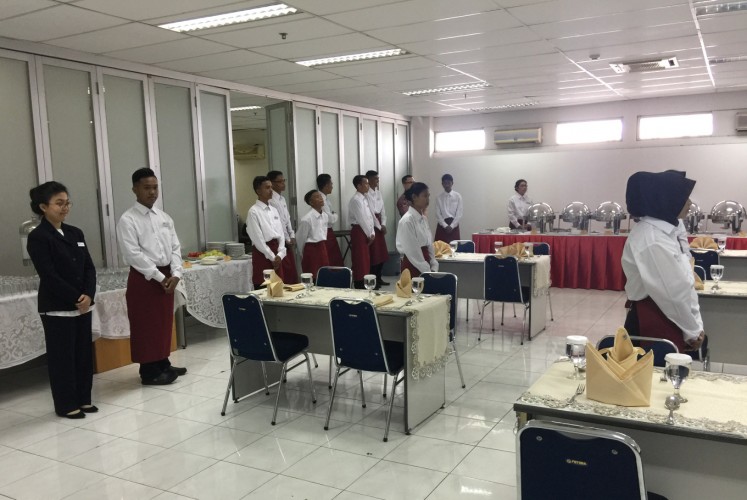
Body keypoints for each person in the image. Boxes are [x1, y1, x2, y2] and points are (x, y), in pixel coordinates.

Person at [26, 182, 97, 419]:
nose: (65, 207)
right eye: (59, 203)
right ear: (43, 207)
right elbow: (49, 275)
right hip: (57, 307)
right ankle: (67, 404)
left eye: (67, 202)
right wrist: (76, 297)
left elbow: (89, 267)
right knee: (62, 358)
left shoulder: (75, 233)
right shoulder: (38, 237)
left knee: (83, 354)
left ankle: (84, 399)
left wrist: (89, 295)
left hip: (83, 306)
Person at [621, 170, 706, 354]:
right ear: (667, 200)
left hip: (670, 315)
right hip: (655, 318)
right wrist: (692, 330)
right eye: (685, 198)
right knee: (656, 377)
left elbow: (684, 283)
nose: (690, 204)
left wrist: (695, 323)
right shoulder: (652, 239)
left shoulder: (664, 232)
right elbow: (672, 294)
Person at [117, 168, 186, 386]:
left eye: (155, 187)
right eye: (147, 188)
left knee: (163, 322)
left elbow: (175, 246)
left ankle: (163, 362)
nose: (152, 192)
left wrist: (176, 273)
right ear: (135, 189)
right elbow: (133, 254)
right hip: (145, 278)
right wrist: (159, 277)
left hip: (167, 276)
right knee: (146, 324)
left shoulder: (164, 217)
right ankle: (148, 371)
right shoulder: (128, 220)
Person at [246, 176, 286, 289]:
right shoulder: (253, 212)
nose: (271, 190)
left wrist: (280, 253)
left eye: (271, 187)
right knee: (264, 287)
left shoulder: (274, 210)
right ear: (258, 191)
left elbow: (281, 234)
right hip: (263, 253)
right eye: (267, 187)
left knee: (278, 288)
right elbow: (258, 239)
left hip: (277, 251)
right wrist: (272, 257)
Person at [396, 182, 438, 277]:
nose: (428, 199)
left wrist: (433, 264)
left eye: (428, 196)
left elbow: (429, 244)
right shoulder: (407, 221)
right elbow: (412, 251)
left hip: (426, 263)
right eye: (425, 196)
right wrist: (427, 270)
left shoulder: (423, 218)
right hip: (413, 265)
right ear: (414, 197)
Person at [267, 170, 299, 284]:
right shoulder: (271, 200)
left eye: (283, 180)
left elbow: (287, 219)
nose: (283, 183)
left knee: (291, 273)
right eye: (280, 181)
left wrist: (292, 234)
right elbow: (278, 223)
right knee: (284, 274)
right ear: (272, 183)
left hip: (287, 238)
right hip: (280, 240)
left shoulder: (282, 198)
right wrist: (286, 239)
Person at [348, 175, 375, 289]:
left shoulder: (364, 198)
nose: (368, 186)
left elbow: (369, 217)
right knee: (360, 259)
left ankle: (365, 281)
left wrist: (372, 232)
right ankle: (359, 283)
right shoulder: (356, 200)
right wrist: (369, 234)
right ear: (358, 186)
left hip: (366, 230)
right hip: (359, 230)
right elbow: (361, 219)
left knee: (366, 259)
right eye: (366, 183)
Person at [296, 189, 330, 280]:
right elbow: (300, 239)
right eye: (317, 197)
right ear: (311, 202)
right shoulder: (307, 219)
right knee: (313, 276)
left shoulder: (325, 216)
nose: (321, 198)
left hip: (322, 247)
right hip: (311, 249)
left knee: (324, 274)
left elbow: (324, 233)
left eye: (320, 196)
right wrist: (302, 254)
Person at [365, 170, 390, 288]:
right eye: (375, 179)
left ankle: (379, 277)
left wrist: (384, 223)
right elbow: (371, 212)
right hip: (373, 225)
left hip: (380, 223)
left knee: (382, 254)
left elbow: (383, 210)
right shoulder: (366, 194)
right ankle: (373, 278)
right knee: (374, 254)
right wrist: (379, 227)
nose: (377, 181)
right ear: (369, 180)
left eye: (378, 179)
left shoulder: (378, 193)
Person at [316, 173, 344, 266]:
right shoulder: (321, 199)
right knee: (330, 258)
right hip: (325, 231)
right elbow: (330, 219)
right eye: (331, 184)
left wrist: (333, 215)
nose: (332, 186)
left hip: (328, 231)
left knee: (334, 258)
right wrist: (335, 215)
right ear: (326, 185)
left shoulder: (325, 198)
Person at [435, 174, 463, 243]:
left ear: (452, 183)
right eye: (445, 183)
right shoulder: (439, 197)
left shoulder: (458, 196)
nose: (447, 185)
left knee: (455, 248)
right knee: (440, 248)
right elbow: (438, 214)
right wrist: (445, 225)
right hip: (442, 225)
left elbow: (459, 213)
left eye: (448, 183)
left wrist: (452, 226)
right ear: (442, 184)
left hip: (454, 225)